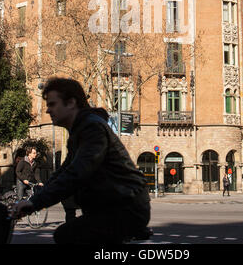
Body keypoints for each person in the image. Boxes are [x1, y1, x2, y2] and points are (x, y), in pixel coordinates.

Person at [12, 77, 150, 245]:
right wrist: (33, 202)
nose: (48, 111)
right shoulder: (79, 131)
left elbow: (78, 171)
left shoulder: (92, 128)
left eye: (52, 104)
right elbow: (63, 171)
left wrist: (35, 203)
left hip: (126, 206)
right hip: (112, 205)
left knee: (67, 235)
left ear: (71, 103)